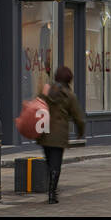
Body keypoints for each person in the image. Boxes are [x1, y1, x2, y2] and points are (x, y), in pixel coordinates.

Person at [39, 65, 85, 204]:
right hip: (59, 134)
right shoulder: (69, 95)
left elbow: (37, 105)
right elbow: (78, 117)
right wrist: (80, 132)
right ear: (69, 79)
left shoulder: (46, 90)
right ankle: (52, 194)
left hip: (44, 132)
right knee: (56, 164)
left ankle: (51, 189)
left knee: (49, 162)